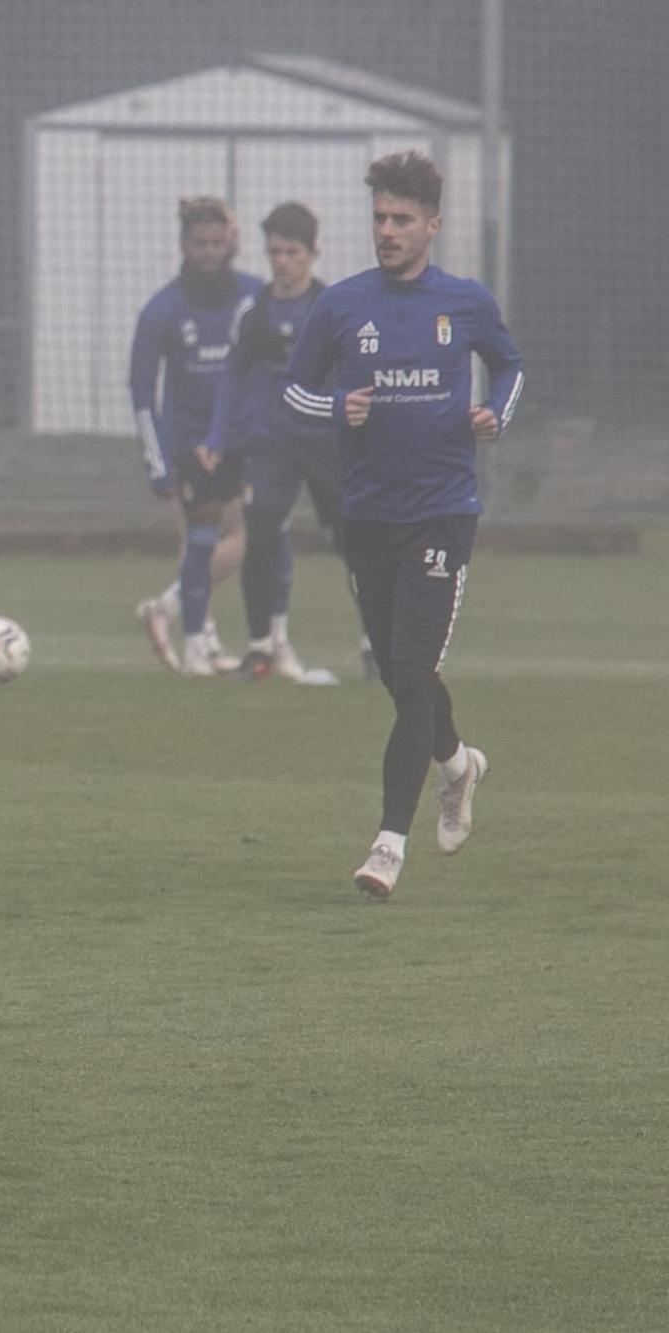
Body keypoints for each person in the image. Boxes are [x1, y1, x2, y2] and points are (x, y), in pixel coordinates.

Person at [282, 150, 522, 899]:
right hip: (368, 516)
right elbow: (292, 390)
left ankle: (388, 842)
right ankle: (457, 765)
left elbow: (511, 368)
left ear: (432, 225)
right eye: (380, 217)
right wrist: (336, 408)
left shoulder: (465, 302)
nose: (386, 230)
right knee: (398, 674)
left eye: (402, 219)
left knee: (413, 668)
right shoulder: (343, 306)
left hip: (443, 513)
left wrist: (493, 415)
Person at [203, 201, 357, 682]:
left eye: (292, 252)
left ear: (313, 253)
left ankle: (377, 649)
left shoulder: (333, 309)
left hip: (328, 441)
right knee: (262, 531)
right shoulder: (254, 311)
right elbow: (233, 375)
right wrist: (218, 435)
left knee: (355, 543)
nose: (282, 262)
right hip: (272, 441)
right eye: (274, 252)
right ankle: (260, 650)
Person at [130, 196, 262, 676]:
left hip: (240, 439)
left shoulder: (253, 296)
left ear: (231, 243)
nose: (209, 252)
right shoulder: (162, 309)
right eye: (199, 243)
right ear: (184, 246)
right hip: (190, 442)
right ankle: (192, 638)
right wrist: (157, 460)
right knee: (209, 536)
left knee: (238, 537)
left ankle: (183, 620)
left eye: (217, 242)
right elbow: (142, 391)